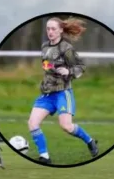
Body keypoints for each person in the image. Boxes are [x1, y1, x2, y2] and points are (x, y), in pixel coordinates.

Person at [26, 16, 98, 164]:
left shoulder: (66, 48)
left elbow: (81, 67)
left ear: (60, 30)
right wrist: (48, 67)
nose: (50, 32)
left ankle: (90, 141)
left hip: (62, 93)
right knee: (32, 123)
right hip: (47, 93)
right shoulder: (45, 47)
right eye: (48, 29)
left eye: (53, 29)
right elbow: (46, 64)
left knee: (66, 126)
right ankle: (44, 157)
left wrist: (68, 71)